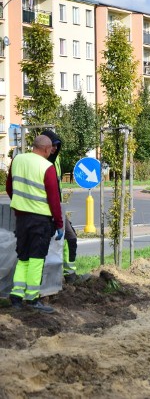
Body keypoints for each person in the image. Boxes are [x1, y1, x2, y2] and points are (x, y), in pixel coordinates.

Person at [6, 135, 64, 314]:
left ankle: (16, 297)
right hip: (40, 220)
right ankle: (32, 298)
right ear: (46, 149)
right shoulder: (47, 167)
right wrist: (59, 222)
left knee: (22, 257)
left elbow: (9, 187)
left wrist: (21, 202)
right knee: (36, 259)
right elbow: (54, 199)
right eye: (50, 150)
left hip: (21, 219)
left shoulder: (17, 160)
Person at [41, 129, 78, 283]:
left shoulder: (55, 159)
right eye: (53, 145)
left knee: (71, 237)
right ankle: (48, 279)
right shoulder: (40, 162)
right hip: (43, 210)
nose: (55, 148)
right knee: (47, 246)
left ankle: (70, 273)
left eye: (57, 145)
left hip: (58, 208)